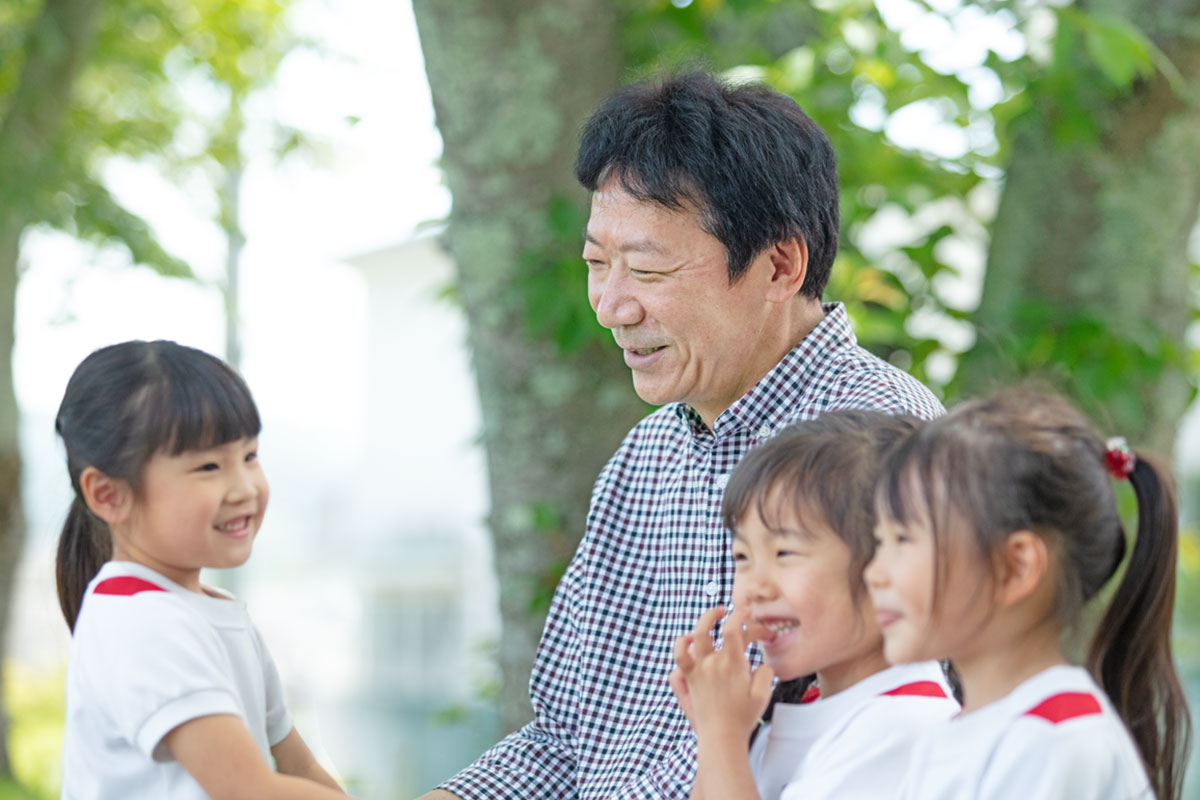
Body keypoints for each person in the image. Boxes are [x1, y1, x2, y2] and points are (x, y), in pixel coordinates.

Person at [425, 70, 943, 800]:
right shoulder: (645, 459)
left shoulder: (889, 443)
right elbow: (563, 745)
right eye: (597, 266)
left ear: (779, 267)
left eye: (646, 268)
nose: (611, 308)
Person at [866, 389, 1192, 800]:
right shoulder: (973, 730)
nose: (873, 573)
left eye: (903, 539)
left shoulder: (1054, 743)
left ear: (1016, 567)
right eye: (878, 541)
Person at [56, 340, 347, 800]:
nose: (244, 487)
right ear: (109, 494)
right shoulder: (141, 623)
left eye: (250, 456)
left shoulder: (221, 612)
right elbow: (249, 790)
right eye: (209, 466)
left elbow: (299, 764)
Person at [670, 410, 958, 800]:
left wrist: (720, 733)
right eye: (742, 557)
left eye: (784, 552)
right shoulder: (810, 709)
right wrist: (717, 732)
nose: (754, 586)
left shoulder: (902, 727)